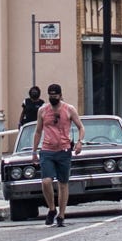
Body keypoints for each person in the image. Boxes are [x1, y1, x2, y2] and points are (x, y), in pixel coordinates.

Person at [35, 83, 84, 226]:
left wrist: (79, 142)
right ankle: (51, 208)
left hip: (63, 150)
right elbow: (38, 131)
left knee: (63, 183)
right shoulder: (43, 110)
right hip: (47, 150)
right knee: (46, 181)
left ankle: (61, 215)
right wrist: (34, 151)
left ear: (60, 95)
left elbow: (80, 127)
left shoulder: (69, 109)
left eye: (55, 95)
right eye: (50, 95)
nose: (53, 98)